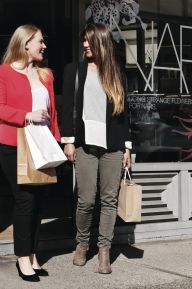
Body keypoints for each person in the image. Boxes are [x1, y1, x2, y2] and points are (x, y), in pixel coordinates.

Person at [0, 24, 60, 282]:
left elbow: (53, 114)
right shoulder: (2, 73)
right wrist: (26, 116)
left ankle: (32, 254)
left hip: (42, 145)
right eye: (40, 41)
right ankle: (22, 257)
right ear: (26, 43)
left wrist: (58, 142)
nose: (44, 46)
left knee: (39, 201)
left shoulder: (46, 75)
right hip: (13, 144)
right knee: (25, 200)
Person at [61, 23, 132, 274]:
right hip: (84, 144)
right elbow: (67, 107)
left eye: (89, 40)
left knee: (110, 200)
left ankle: (104, 250)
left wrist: (127, 147)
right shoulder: (75, 71)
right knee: (87, 200)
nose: (85, 45)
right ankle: (82, 243)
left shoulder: (117, 73)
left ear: (102, 42)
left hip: (112, 145)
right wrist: (68, 140)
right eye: (84, 41)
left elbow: (124, 114)